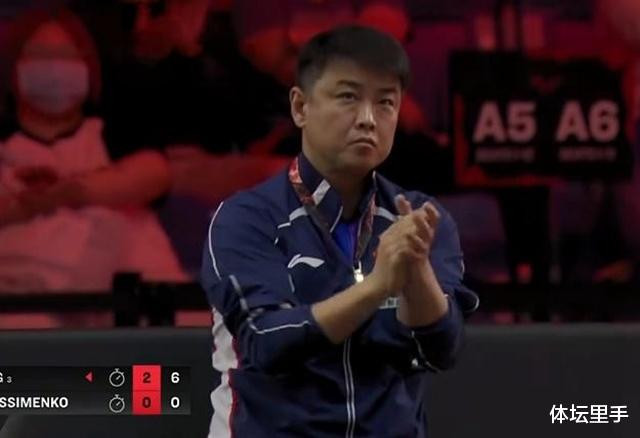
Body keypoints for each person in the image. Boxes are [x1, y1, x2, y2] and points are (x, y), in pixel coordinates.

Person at [201, 25, 478, 437]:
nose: (368, 119)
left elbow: (439, 350)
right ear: (300, 107)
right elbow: (267, 342)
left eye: (386, 102)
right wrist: (377, 287)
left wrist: (416, 269)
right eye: (348, 97)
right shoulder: (246, 218)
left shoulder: (419, 219)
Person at [0, 7, 185, 326]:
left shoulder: (117, 134)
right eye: (40, 55)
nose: (54, 67)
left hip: (130, 309)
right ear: (12, 67)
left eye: (66, 55)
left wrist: (63, 194)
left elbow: (155, 174)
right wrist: (25, 206)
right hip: (23, 310)